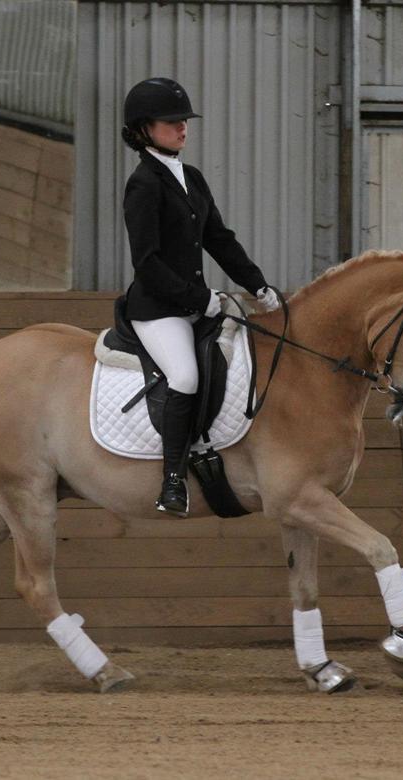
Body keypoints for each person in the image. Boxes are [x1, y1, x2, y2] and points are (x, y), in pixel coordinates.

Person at [120, 77, 281, 518]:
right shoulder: (143, 185)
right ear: (143, 129)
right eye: (171, 122)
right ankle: (172, 480)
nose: (182, 128)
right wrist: (200, 299)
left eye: (183, 121)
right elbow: (147, 263)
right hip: (158, 310)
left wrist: (258, 285)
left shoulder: (190, 177)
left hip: (195, 304)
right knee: (185, 376)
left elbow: (219, 239)